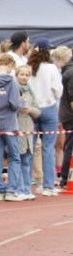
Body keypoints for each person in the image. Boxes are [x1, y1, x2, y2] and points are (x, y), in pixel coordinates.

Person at [28, 39, 64, 196]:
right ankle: (48, 186)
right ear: (47, 51)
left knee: (29, 147)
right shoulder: (51, 68)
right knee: (48, 148)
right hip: (48, 108)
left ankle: (29, 183)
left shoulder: (29, 67)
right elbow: (58, 90)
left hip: (31, 109)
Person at [0, 54, 24, 202]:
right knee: (14, 157)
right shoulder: (12, 82)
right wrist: (20, 101)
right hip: (9, 124)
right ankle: (11, 190)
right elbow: (15, 104)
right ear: (9, 65)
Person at [16, 64, 39, 200]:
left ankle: (26, 188)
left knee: (26, 161)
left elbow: (38, 109)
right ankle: (18, 188)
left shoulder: (30, 90)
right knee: (17, 160)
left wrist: (30, 110)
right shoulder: (13, 89)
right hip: (17, 129)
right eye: (22, 74)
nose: (24, 77)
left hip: (28, 129)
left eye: (27, 75)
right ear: (16, 75)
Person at [59, 50, 73, 190]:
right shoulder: (72, 71)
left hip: (66, 114)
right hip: (70, 115)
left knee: (68, 146)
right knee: (69, 147)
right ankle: (65, 178)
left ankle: (65, 178)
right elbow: (72, 97)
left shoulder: (67, 69)